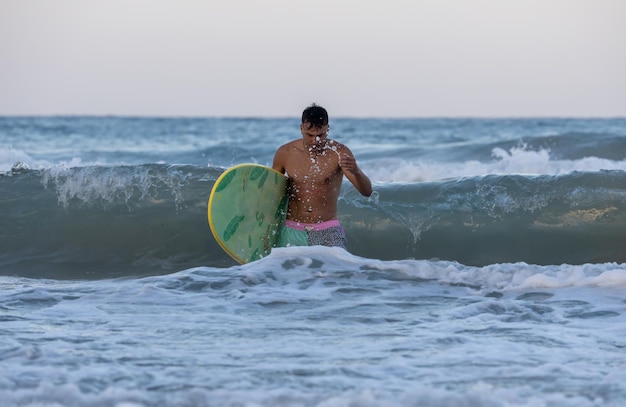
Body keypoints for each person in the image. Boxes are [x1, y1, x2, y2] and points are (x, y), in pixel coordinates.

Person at [272, 104, 372, 249]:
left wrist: (356, 170)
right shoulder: (285, 153)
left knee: (336, 272)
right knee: (288, 272)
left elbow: (366, 191)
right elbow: (271, 192)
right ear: (301, 128)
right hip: (292, 229)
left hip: (327, 230)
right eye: (310, 135)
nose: (315, 141)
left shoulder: (339, 153)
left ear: (327, 129)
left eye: (321, 135)